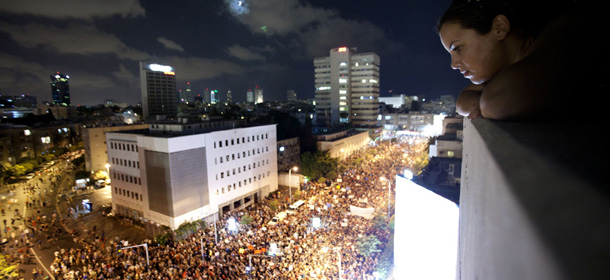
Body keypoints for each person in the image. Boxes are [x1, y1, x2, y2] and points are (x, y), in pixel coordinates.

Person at [438, 0, 609, 121]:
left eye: (458, 48)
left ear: (499, 28)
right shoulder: (521, 61)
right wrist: (479, 103)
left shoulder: (565, 35)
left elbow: (497, 101)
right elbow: (463, 101)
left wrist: (484, 104)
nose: (454, 65)